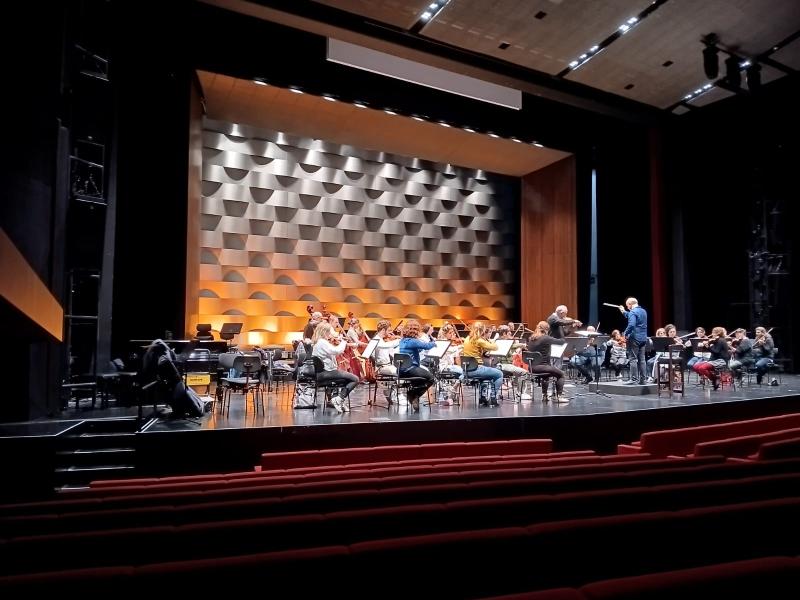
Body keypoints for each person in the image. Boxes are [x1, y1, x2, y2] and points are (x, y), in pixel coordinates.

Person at [311, 322, 359, 413]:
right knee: (355, 379)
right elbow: (337, 351)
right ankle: (339, 399)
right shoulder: (322, 342)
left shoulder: (320, 342)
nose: (330, 334)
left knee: (347, 380)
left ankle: (339, 399)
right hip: (326, 372)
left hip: (325, 372)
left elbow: (332, 350)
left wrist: (339, 341)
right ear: (325, 332)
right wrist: (344, 342)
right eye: (329, 332)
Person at [397, 320, 436, 412]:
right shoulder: (413, 341)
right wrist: (435, 343)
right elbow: (427, 346)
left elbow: (411, 351)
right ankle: (413, 394)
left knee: (420, 380)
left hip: (401, 371)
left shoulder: (402, 341)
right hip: (410, 369)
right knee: (431, 378)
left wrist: (417, 351)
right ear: (416, 330)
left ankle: (414, 397)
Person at [461, 322, 504, 406]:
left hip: (466, 370)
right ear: (482, 331)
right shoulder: (479, 340)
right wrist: (493, 340)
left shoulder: (467, 339)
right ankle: (493, 397)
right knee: (499, 374)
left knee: (485, 376)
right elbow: (495, 347)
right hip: (476, 369)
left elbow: (476, 350)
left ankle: (482, 398)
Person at [526, 321, 568, 402]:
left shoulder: (532, 338)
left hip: (531, 367)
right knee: (561, 374)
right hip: (542, 367)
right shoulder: (545, 338)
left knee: (546, 375)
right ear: (546, 329)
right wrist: (560, 328)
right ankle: (559, 397)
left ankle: (544, 396)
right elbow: (562, 342)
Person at [619, 297, 648, 385]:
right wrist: (623, 311)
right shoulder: (643, 311)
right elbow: (631, 315)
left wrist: (625, 333)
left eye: (627, 306)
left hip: (634, 338)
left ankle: (633, 379)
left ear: (630, 304)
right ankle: (643, 380)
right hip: (643, 338)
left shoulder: (632, 312)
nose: (627, 308)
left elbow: (631, 324)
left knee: (633, 359)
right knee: (642, 360)